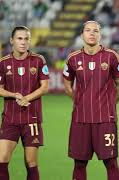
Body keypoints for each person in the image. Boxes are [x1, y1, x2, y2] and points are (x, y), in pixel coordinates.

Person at [63, 21, 119, 180]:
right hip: (80, 119)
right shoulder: (73, 59)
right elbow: (68, 86)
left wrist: (110, 104)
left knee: (111, 162)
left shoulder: (112, 56)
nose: (92, 33)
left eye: (95, 30)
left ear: (100, 34)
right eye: (88, 30)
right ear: (82, 34)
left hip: (105, 119)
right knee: (79, 163)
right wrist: (79, 101)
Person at [0, 26, 49, 180]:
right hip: (10, 119)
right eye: (19, 38)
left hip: (31, 119)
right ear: (12, 41)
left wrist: (27, 98)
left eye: (26, 38)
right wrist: (13, 95)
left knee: (31, 162)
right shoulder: (3, 63)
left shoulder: (38, 60)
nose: (23, 42)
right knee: (2, 159)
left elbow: (45, 87)